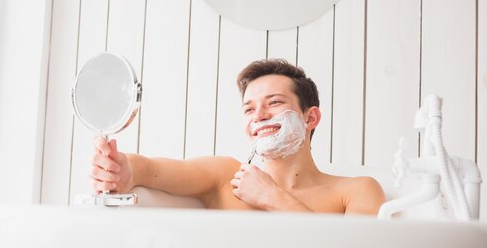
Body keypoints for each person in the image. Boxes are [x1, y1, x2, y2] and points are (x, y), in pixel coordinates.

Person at [89, 58, 386, 215]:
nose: (259, 115)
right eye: (249, 109)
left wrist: (272, 197)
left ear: (311, 117)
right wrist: (122, 171)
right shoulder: (224, 178)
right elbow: (150, 171)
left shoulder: (356, 191)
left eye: (274, 103)